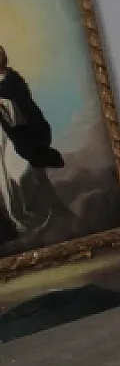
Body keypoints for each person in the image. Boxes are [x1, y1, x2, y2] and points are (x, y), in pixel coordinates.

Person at [0, 45, 68, 245]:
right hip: (4, 138)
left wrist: (5, 104)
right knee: (7, 181)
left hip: (20, 136)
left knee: (22, 174)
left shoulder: (13, 80)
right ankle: (21, 220)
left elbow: (25, 108)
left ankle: (41, 216)